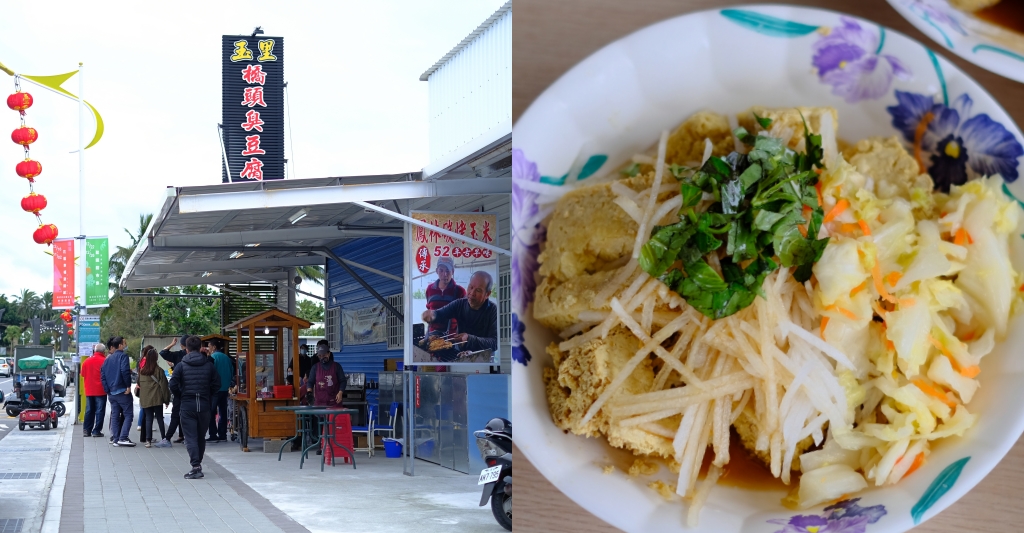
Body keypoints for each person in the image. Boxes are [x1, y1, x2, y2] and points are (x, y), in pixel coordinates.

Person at [169, 335, 220, 479]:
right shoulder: (209, 365)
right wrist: (208, 394)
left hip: (187, 405)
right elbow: (217, 383)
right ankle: (198, 463)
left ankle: (195, 466)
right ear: (200, 348)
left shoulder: (181, 365)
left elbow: (172, 384)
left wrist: (181, 395)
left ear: (186, 349)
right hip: (204, 405)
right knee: (200, 437)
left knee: (190, 437)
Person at [420, 271, 498, 355]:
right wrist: (432, 315)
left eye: (478, 290)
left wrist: (469, 339)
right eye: (470, 287)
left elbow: (495, 342)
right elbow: (440, 314)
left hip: (483, 359)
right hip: (460, 355)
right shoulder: (460, 304)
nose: (472, 293)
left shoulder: (493, 311)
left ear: (487, 294)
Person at [100, 336, 136, 447]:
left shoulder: (108, 359)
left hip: (112, 393)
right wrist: (128, 386)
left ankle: (115, 439)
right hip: (122, 391)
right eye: (124, 344)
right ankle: (123, 437)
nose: (125, 345)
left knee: (115, 415)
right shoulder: (123, 356)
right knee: (128, 414)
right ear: (120, 345)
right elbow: (124, 371)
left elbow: (103, 375)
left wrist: (108, 390)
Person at [137, 346, 172, 448]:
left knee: (148, 419)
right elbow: (164, 386)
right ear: (156, 358)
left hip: (146, 399)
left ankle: (148, 441)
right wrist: (166, 400)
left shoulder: (142, 371)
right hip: (157, 398)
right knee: (160, 418)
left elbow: (139, 384)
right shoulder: (159, 370)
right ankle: (164, 438)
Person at [424, 256, 466, 336]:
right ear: (437, 271)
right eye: (441, 270)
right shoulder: (430, 289)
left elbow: (465, 317)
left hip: (452, 337)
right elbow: (429, 309)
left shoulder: (460, 291)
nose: (445, 274)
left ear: (453, 271)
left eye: (448, 271)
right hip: (432, 335)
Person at [159, 336, 188, 443]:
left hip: (180, 390)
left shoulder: (179, 355)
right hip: (192, 391)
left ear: (181, 345)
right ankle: (182, 435)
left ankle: (168, 438)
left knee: (176, 414)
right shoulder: (200, 356)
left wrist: (171, 344)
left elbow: (162, 353)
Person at [207, 339, 233, 443]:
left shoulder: (213, 358)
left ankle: (213, 434)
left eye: (209, 346)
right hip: (225, 388)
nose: (208, 348)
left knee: (211, 412)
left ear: (214, 347)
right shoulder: (227, 358)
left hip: (215, 389)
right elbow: (232, 372)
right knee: (223, 411)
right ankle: (222, 434)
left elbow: (210, 373)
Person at [81, 343, 107, 438]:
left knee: (89, 410)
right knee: (100, 411)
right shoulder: (105, 361)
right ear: (104, 351)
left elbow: (83, 374)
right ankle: (96, 431)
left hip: (89, 390)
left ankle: (86, 430)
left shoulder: (86, 361)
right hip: (101, 390)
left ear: (95, 351)